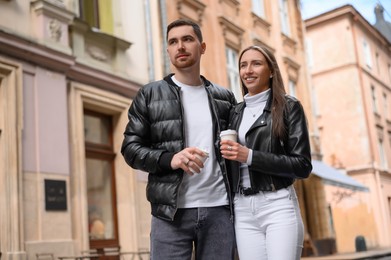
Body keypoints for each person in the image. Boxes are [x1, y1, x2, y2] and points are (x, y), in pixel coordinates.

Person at [121, 19, 237, 260]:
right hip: (170, 214)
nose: (180, 46)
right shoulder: (150, 94)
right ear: (168, 50)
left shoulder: (225, 98)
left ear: (202, 47)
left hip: (219, 211)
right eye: (173, 42)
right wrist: (170, 159)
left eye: (187, 39)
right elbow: (130, 149)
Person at [220, 45, 312, 260]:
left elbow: (302, 165)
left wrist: (249, 156)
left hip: (277, 204)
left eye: (256, 64)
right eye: (243, 65)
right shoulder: (235, 112)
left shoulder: (289, 107)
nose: (247, 70)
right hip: (242, 208)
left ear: (271, 71)